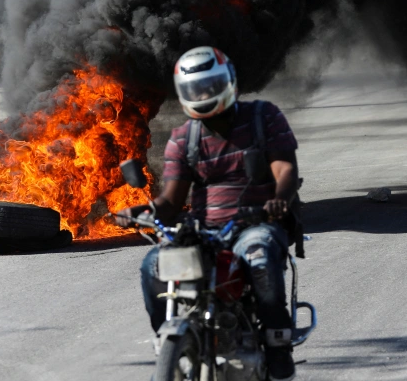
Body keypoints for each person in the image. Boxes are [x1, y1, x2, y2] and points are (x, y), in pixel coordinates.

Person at [115, 46, 300, 381]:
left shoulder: (264, 118)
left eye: (210, 85)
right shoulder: (184, 138)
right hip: (206, 229)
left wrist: (280, 200)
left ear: (228, 82)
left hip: (257, 222)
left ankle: (277, 342)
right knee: (152, 265)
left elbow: (285, 168)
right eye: (195, 88)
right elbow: (171, 201)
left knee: (259, 260)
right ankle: (170, 338)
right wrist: (142, 210)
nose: (203, 94)